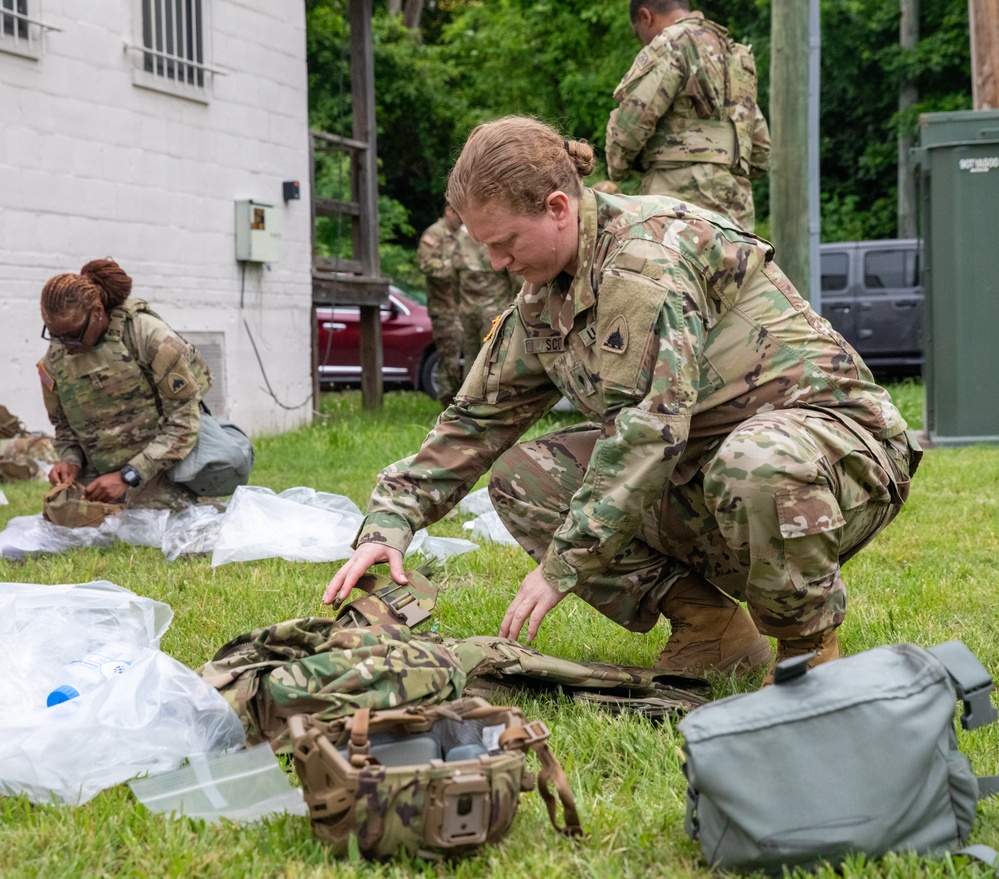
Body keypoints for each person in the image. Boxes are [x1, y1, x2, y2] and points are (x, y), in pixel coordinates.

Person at [324, 116, 920, 685]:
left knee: (755, 460)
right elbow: (475, 420)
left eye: (504, 243)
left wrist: (563, 565)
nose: (496, 263)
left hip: (835, 459)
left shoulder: (644, 262)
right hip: (707, 466)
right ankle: (712, 631)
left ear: (558, 208)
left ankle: (807, 653)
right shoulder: (544, 295)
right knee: (524, 478)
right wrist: (389, 523)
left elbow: (648, 432)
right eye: (486, 246)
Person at [38, 258, 213, 510]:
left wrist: (128, 475)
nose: (64, 345)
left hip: (159, 465)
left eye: (72, 335)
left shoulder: (149, 337)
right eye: (54, 334)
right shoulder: (55, 359)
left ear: (98, 312)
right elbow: (64, 427)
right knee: (64, 515)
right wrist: (70, 461)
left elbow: (184, 423)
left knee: (156, 515)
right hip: (101, 470)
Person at [605, 0, 771, 231]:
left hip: (677, 204)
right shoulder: (731, 53)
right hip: (734, 206)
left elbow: (630, 125)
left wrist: (617, 167)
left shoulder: (670, 43)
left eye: (638, 35)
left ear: (646, 17)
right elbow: (761, 152)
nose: (642, 41)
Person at [452, 225, 519, 377]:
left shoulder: (460, 240)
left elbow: (453, 278)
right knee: (493, 360)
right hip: (494, 313)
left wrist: (460, 303)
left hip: (467, 311)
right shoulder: (492, 236)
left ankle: (467, 399)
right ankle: (489, 400)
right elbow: (516, 277)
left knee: (470, 358)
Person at [416, 205, 464, 406]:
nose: (462, 220)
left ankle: (462, 403)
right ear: (449, 211)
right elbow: (426, 264)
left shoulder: (462, 236)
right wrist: (452, 266)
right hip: (443, 309)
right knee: (449, 358)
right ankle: (448, 403)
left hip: (463, 307)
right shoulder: (434, 234)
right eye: (459, 215)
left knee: (466, 357)